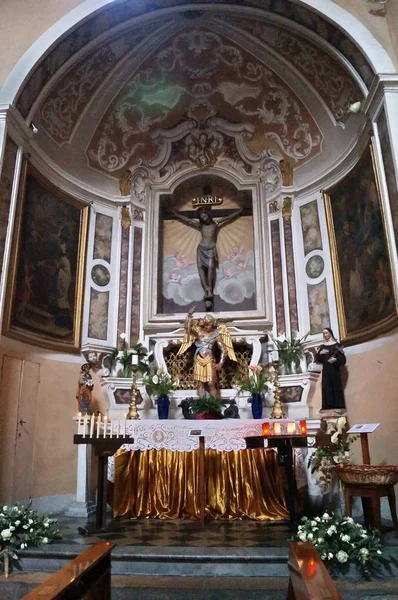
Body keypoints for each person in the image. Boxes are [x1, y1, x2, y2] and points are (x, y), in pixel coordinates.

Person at [170, 207, 243, 304]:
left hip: (211, 249)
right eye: (201, 217)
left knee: (211, 267)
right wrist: (177, 215)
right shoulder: (201, 226)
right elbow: (188, 221)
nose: (204, 218)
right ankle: (207, 289)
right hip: (201, 248)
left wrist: (239, 212)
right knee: (200, 268)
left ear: (208, 215)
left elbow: (228, 218)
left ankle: (209, 289)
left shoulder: (215, 224)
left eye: (204, 216)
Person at [177, 306, 236, 398]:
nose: (206, 327)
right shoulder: (199, 333)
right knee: (200, 384)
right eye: (204, 325)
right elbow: (187, 328)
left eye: (208, 325)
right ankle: (202, 407)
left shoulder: (216, 335)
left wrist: (220, 363)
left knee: (211, 383)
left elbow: (223, 350)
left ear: (212, 324)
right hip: (199, 359)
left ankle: (214, 407)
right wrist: (189, 315)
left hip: (209, 360)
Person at [315, 328, 346, 411]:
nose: (325, 335)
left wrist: (335, 360)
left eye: (326, 333)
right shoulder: (322, 346)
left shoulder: (337, 345)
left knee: (335, 386)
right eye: (324, 333)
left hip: (334, 370)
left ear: (330, 333)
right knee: (326, 386)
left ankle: (337, 404)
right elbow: (318, 359)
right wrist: (320, 354)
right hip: (326, 370)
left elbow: (343, 359)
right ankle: (327, 405)